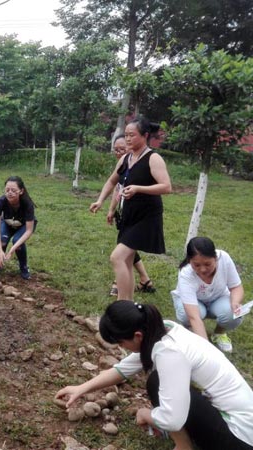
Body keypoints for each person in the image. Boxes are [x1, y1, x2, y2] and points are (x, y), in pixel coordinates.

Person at [55, 301, 253, 450]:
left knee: (156, 382)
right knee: (160, 383)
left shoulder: (169, 353)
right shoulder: (162, 329)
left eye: (121, 343)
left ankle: (183, 446)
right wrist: (81, 388)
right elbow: (122, 370)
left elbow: (172, 420)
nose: (122, 347)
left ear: (137, 336)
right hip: (242, 423)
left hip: (239, 438)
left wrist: (146, 415)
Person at [90, 116, 171, 300]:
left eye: (131, 135)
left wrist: (138, 189)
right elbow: (112, 181)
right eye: (126, 135)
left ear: (145, 135)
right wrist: (100, 201)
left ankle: (123, 303)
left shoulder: (153, 158)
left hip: (147, 217)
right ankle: (127, 304)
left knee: (117, 257)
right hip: (129, 216)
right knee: (126, 260)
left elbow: (166, 187)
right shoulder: (126, 158)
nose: (127, 139)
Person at [171, 236, 244, 353]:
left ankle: (219, 333)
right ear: (189, 260)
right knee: (187, 315)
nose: (203, 269)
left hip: (218, 298)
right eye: (196, 265)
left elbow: (236, 287)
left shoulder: (224, 259)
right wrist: (208, 350)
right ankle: (192, 332)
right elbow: (193, 316)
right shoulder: (185, 273)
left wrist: (235, 302)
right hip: (194, 303)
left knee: (233, 314)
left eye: (208, 264)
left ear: (215, 258)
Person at [107, 134, 155, 296]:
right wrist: (111, 210)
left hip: (141, 216)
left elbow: (164, 186)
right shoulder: (123, 164)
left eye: (122, 149)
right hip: (126, 215)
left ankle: (121, 285)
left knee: (121, 253)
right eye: (116, 150)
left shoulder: (142, 164)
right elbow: (116, 188)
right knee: (126, 250)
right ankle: (144, 280)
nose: (119, 152)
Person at [0, 176, 37, 280]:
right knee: (2, 240)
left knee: (17, 241)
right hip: (8, 223)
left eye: (13, 190)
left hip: (24, 226)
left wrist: (12, 249)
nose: (10, 193)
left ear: (21, 191)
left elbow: (29, 230)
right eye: (7, 190)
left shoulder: (27, 204)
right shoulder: (0, 202)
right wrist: (0, 251)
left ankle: (23, 267)